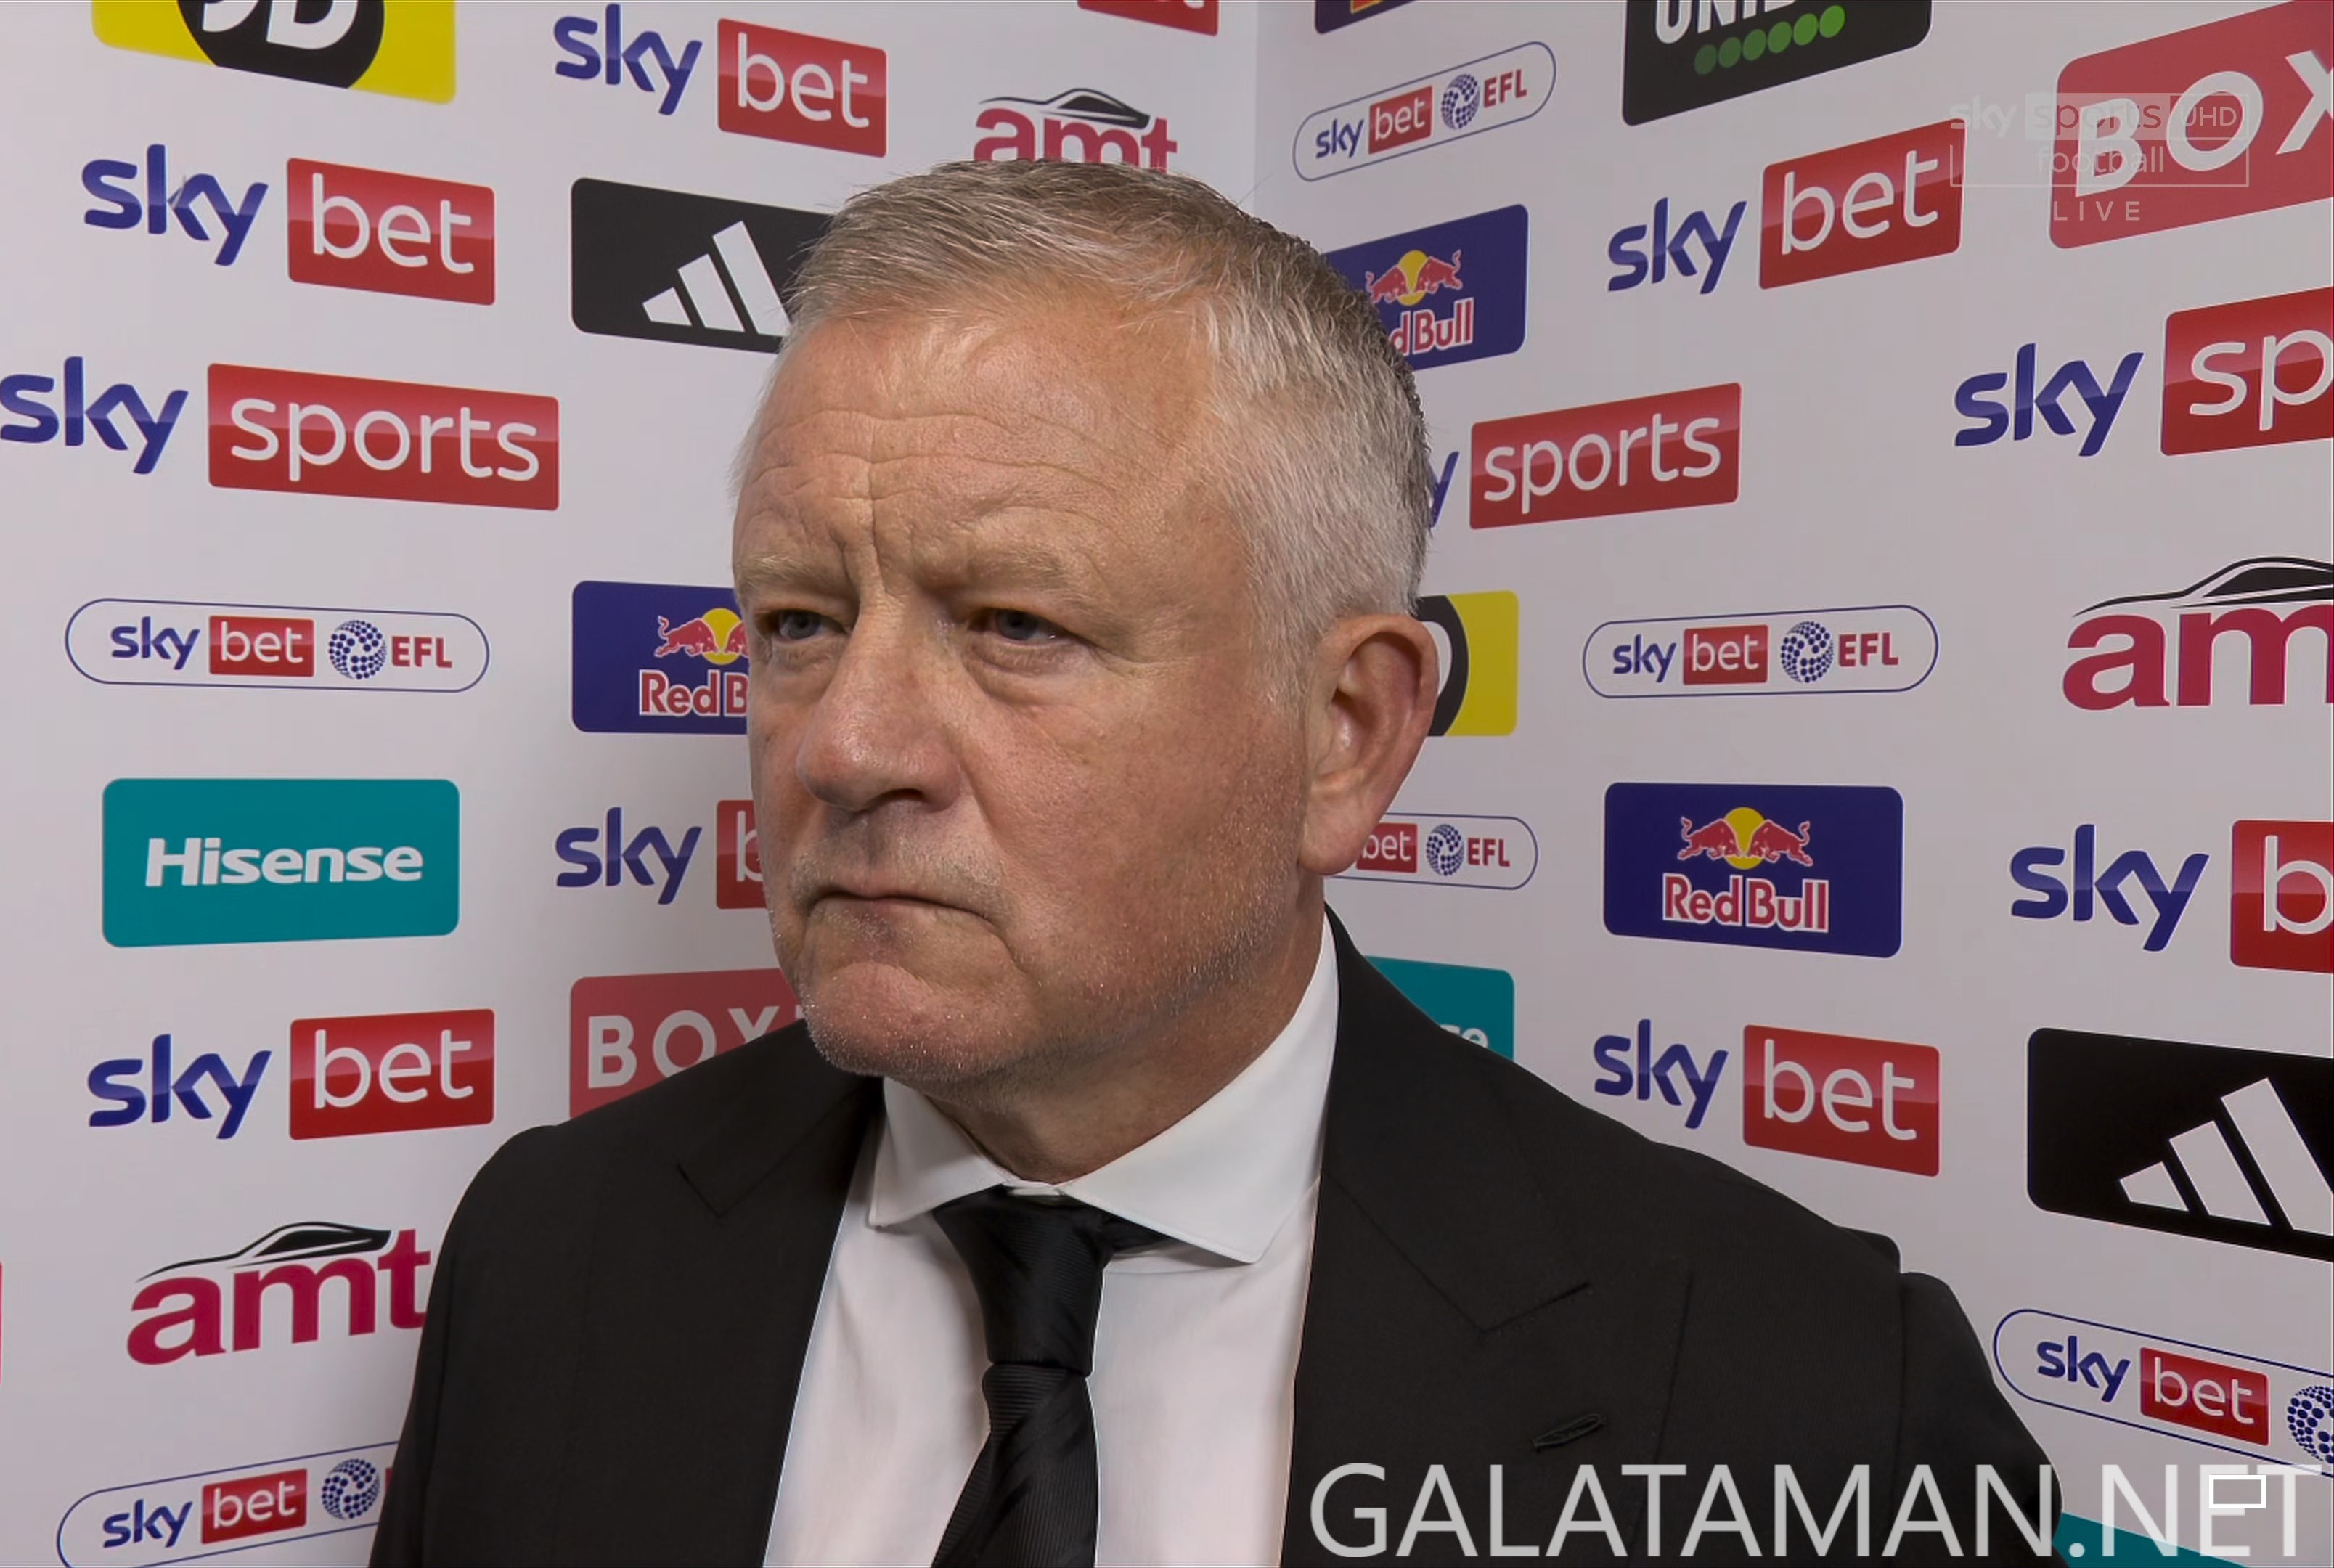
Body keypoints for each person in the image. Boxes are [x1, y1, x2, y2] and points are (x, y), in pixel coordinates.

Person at [372, 161, 2048, 1567]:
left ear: (1346, 734)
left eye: (1015, 624)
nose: (845, 746)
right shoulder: (555, 1251)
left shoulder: (1824, 1398)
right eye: (801, 621)